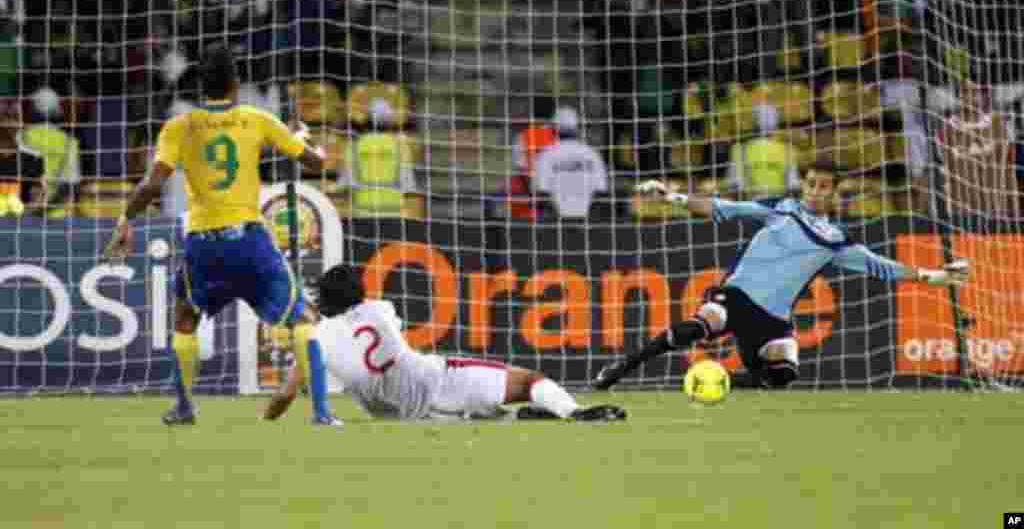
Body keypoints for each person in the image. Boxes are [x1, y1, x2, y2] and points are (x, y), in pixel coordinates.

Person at [102, 42, 341, 427]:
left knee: (184, 319)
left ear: (201, 84)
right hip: (249, 240)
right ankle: (322, 414)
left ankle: (183, 408)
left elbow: (151, 186)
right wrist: (304, 136)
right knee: (303, 319)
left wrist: (125, 220)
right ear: (236, 83)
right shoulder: (257, 119)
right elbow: (318, 163)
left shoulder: (179, 127)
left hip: (204, 244)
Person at [592, 164, 970, 390]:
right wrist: (671, 197)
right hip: (736, 298)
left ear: (835, 193)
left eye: (824, 186)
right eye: (810, 184)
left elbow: (882, 266)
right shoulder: (781, 208)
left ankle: (716, 383)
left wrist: (936, 276)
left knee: (783, 374)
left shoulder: (837, 240)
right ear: (802, 186)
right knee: (692, 329)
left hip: (774, 320)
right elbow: (724, 207)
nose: (815, 191)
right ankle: (620, 369)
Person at [264, 264, 627, 423]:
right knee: (529, 380)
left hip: (405, 417)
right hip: (440, 381)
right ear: (359, 293)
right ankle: (573, 412)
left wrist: (266, 420)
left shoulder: (317, 339)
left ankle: (520, 414)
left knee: (490, 416)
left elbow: (284, 396)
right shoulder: (379, 309)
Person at [532, 107, 609, 219]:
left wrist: (559, 219)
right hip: (586, 223)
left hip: (556, 224)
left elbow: (541, 193)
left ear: (554, 130)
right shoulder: (592, 154)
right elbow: (601, 192)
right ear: (578, 128)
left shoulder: (545, 155)